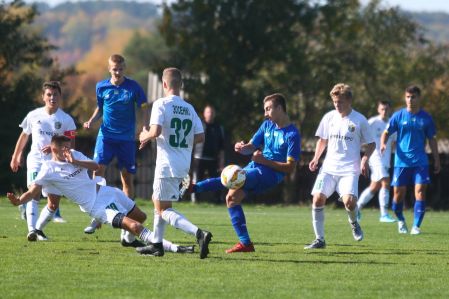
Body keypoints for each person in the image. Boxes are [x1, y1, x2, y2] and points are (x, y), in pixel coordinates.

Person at [6, 135, 194, 254]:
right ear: (54, 149)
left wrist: (76, 161)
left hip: (106, 191)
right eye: (64, 148)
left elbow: (96, 167)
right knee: (135, 226)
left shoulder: (74, 154)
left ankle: (127, 241)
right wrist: (18, 201)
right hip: (95, 205)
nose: (68, 150)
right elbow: (34, 191)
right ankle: (175, 248)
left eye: (68, 146)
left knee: (141, 217)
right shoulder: (48, 169)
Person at [188, 93, 301, 253]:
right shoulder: (266, 125)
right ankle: (245, 243)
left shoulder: (293, 135)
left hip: (271, 174)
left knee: (233, 176)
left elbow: (290, 168)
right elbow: (251, 147)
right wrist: (242, 147)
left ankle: (195, 188)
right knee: (232, 198)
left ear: (280, 108)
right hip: (256, 166)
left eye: (268, 109)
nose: (265, 113)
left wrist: (264, 161)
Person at [138, 67, 212, 258]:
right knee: (159, 201)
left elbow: (155, 131)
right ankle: (157, 244)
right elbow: (201, 136)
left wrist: (144, 135)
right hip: (183, 164)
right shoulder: (189, 108)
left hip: (167, 163)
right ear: (181, 85)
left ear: (164, 84)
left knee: (163, 209)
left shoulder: (161, 104)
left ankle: (199, 234)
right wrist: (182, 141)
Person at [83, 54, 148, 234]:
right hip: (106, 137)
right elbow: (100, 108)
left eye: (120, 69)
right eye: (114, 69)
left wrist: (145, 127)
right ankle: (97, 216)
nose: (117, 72)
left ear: (124, 68)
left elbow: (144, 106)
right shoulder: (101, 86)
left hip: (126, 139)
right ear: (109, 69)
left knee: (126, 177)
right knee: (98, 170)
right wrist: (91, 120)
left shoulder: (133, 87)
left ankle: (128, 222)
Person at [305, 83, 375, 249]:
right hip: (328, 168)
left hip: (350, 169)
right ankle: (319, 239)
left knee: (349, 202)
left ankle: (353, 222)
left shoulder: (359, 120)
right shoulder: (329, 117)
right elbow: (322, 140)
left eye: (340, 102)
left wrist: (364, 160)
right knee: (317, 198)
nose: (337, 105)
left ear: (349, 100)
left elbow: (371, 144)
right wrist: (316, 158)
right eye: (335, 102)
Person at [10, 81, 76, 241]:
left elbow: (71, 144)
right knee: (34, 191)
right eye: (49, 94)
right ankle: (31, 230)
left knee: (53, 204)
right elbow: (25, 135)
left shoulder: (66, 119)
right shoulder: (34, 115)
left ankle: (38, 230)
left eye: (55, 94)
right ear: (43, 97)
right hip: (36, 160)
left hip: (55, 163)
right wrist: (16, 155)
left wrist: (55, 148)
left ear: (60, 97)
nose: (52, 97)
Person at [380, 85, 440, 235]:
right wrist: (383, 144)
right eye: (407, 97)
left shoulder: (426, 118)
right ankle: (400, 220)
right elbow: (386, 132)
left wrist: (436, 159)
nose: (410, 100)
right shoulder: (398, 116)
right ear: (404, 98)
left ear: (419, 98)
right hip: (401, 162)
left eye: (413, 97)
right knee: (398, 194)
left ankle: (416, 226)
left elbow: (432, 139)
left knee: (420, 191)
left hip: (420, 162)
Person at [357, 101, 396, 222]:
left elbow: (394, 141)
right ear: (378, 109)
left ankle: (356, 208)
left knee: (375, 186)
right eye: (382, 109)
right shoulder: (372, 122)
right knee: (386, 181)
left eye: (386, 109)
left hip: (386, 159)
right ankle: (384, 214)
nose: (384, 111)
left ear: (389, 110)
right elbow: (361, 134)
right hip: (375, 157)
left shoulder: (392, 123)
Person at [191, 104, 225, 203]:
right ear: (204, 114)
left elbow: (222, 147)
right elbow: (192, 141)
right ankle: (195, 200)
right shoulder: (199, 126)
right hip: (199, 158)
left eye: (212, 112)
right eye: (208, 112)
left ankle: (217, 200)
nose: (210, 114)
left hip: (213, 159)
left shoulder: (219, 128)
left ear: (214, 114)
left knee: (217, 180)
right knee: (197, 180)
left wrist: (221, 162)